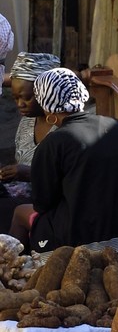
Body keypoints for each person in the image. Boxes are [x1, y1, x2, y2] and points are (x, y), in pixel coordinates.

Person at [23, 67, 118, 254]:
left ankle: (20, 274)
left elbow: (42, 203)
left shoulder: (53, 143)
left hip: (83, 242)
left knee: (19, 213)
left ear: (46, 106)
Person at [0, 51, 59, 230]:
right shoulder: (27, 123)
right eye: (16, 98)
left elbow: (71, 179)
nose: (20, 104)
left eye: (26, 98)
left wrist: (30, 173)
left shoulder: (65, 127)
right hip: (26, 196)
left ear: (47, 92)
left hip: (55, 205)